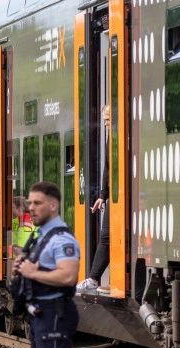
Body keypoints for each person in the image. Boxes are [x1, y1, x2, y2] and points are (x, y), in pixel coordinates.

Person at [14, 181, 80, 348]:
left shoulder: (62, 238)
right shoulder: (40, 236)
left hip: (55, 313)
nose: (31, 208)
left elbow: (68, 276)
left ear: (53, 205)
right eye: (29, 202)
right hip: (39, 314)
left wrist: (32, 272)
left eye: (37, 203)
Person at [78, 105, 111, 294]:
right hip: (114, 196)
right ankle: (94, 278)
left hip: (120, 195)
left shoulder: (120, 135)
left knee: (107, 237)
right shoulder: (111, 136)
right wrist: (102, 196)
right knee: (106, 236)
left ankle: (93, 279)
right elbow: (107, 168)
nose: (105, 123)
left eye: (107, 119)